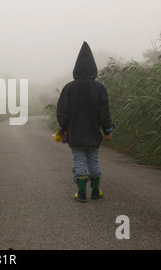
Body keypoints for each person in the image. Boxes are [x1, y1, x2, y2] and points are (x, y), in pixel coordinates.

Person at [56, 41, 115, 202]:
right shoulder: (99, 88)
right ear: (93, 68)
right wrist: (108, 130)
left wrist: (62, 130)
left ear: (76, 68)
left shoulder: (69, 88)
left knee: (79, 160)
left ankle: (81, 194)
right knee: (93, 160)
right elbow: (104, 113)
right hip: (93, 134)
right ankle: (96, 191)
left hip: (75, 133)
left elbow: (62, 112)